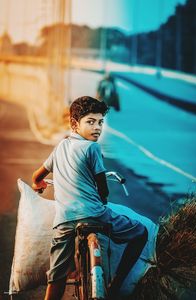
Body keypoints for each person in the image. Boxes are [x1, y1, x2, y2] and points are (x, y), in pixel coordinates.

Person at [32, 96, 148, 300]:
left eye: (100, 122)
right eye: (90, 122)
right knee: (140, 232)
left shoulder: (60, 147)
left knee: (57, 275)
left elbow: (37, 176)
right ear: (74, 124)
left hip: (64, 220)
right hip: (94, 214)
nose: (97, 128)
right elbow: (103, 187)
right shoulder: (92, 148)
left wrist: (38, 185)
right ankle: (116, 284)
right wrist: (102, 200)